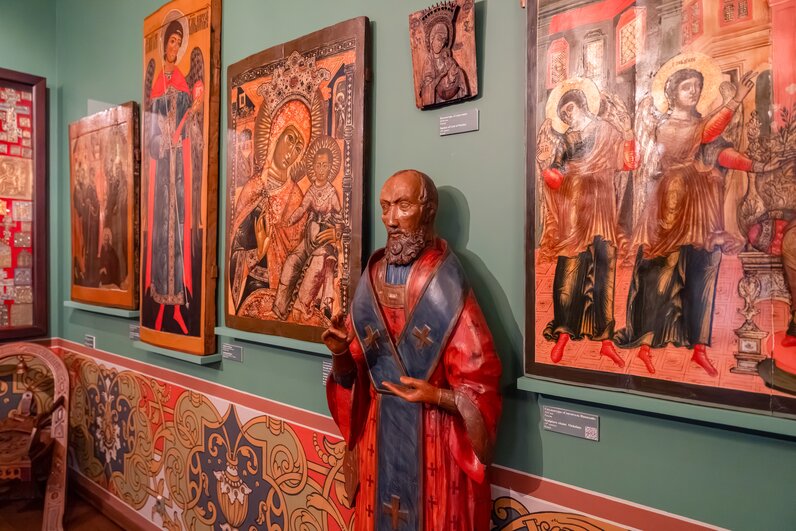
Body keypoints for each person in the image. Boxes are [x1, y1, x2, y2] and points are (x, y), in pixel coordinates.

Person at [323, 170, 502, 530]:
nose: (390, 220)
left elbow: (480, 380)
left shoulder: (445, 281)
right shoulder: (373, 275)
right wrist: (341, 353)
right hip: (378, 438)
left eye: (402, 206)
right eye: (385, 207)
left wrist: (437, 395)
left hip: (433, 438)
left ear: (429, 210)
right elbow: (354, 376)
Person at [616, 66, 759, 376]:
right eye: (686, 86)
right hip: (671, 203)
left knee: (703, 271)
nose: (693, 91)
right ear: (672, 94)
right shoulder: (666, 126)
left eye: (697, 85)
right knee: (659, 273)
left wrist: (753, 164)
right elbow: (704, 134)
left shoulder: (703, 124)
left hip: (703, 207)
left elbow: (720, 153)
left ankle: (699, 348)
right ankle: (646, 343)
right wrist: (735, 102)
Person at [538, 84, 635, 366]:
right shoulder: (566, 140)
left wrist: (628, 134)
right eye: (563, 114)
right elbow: (556, 171)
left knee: (604, 265)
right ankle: (564, 332)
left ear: (582, 104)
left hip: (601, 205)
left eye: (570, 109)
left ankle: (605, 339)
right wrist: (549, 173)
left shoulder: (607, 131)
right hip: (575, 208)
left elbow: (627, 163)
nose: (568, 116)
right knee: (571, 267)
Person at [145, 19, 203, 334]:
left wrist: (185, 127)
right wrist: (159, 143)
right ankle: (159, 305)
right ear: (164, 44)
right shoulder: (158, 84)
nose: (174, 47)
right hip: (162, 168)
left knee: (177, 228)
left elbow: (189, 123)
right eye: (171, 41)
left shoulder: (181, 81)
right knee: (162, 232)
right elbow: (151, 130)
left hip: (178, 164)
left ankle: (178, 304)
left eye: (179, 43)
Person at [229, 102, 309, 313]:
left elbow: (301, 256)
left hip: (284, 296)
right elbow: (235, 252)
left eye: (298, 147)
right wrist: (259, 252)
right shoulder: (253, 188)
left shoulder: (297, 197)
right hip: (253, 287)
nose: (291, 151)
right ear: (276, 134)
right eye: (290, 139)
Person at [273, 136, 343, 321]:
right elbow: (302, 209)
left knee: (317, 265)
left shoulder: (331, 193)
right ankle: (280, 309)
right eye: (318, 165)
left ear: (330, 167)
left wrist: (336, 232)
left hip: (324, 243)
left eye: (325, 165)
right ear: (313, 167)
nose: (321, 169)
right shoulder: (311, 190)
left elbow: (341, 219)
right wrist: (288, 221)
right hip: (309, 239)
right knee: (292, 261)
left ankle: (300, 308)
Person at [420, 21, 469, 106]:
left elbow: (453, 68)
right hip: (439, 93)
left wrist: (453, 73)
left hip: (451, 89)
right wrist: (441, 75)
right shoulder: (429, 60)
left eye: (444, 41)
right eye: (439, 39)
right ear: (432, 39)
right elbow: (428, 85)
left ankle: (464, 93)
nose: (441, 44)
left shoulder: (446, 56)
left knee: (459, 71)